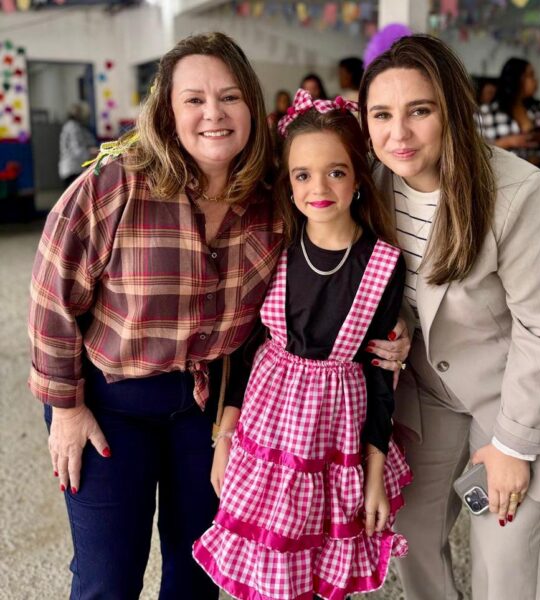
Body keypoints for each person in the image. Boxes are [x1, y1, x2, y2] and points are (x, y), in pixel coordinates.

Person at [29, 33, 408, 600]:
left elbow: (322, 270)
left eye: (229, 97)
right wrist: (66, 407)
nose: (214, 114)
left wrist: (392, 328)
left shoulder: (271, 197)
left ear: (251, 106)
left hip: (207, 407)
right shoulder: (117, 184)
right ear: (167, 110)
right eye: (194, 99)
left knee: (198, 573)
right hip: (111, 404)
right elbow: (51, 296)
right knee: (108, 577)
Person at [359, 34, 540, 600]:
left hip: (516, 390)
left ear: (452, 110)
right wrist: (398, 324)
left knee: (504, 555)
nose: (398, 133)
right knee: (410, 532)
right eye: (382, 114)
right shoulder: (372, 181)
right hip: (429, 387)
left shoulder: (515, 191)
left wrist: (514, 446)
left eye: (420, 111)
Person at [193, 89, 412, 599]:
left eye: (335, 172)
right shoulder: (275, 248)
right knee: (274, 565)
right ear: (288, 184)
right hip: (266, 435)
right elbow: (242, 350)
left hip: (338, 441)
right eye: (302, 175)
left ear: (359, 177)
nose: (319, 188)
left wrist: (374, 476)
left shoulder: (382, 263)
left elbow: (381, 376)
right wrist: (224, 439)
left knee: (321, 569)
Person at [479, 57, 540, 168]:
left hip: (536, 172)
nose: (535, 80)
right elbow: (476, 149)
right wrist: (507, 142)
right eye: (530, 75)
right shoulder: (487, 112)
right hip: (502, 172)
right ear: (516, 78)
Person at [58, 102, 97, 188]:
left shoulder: (71, 126)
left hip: (70, 168)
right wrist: (91, 154)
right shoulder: (73, 127)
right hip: (73, 169)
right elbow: (77, 149)